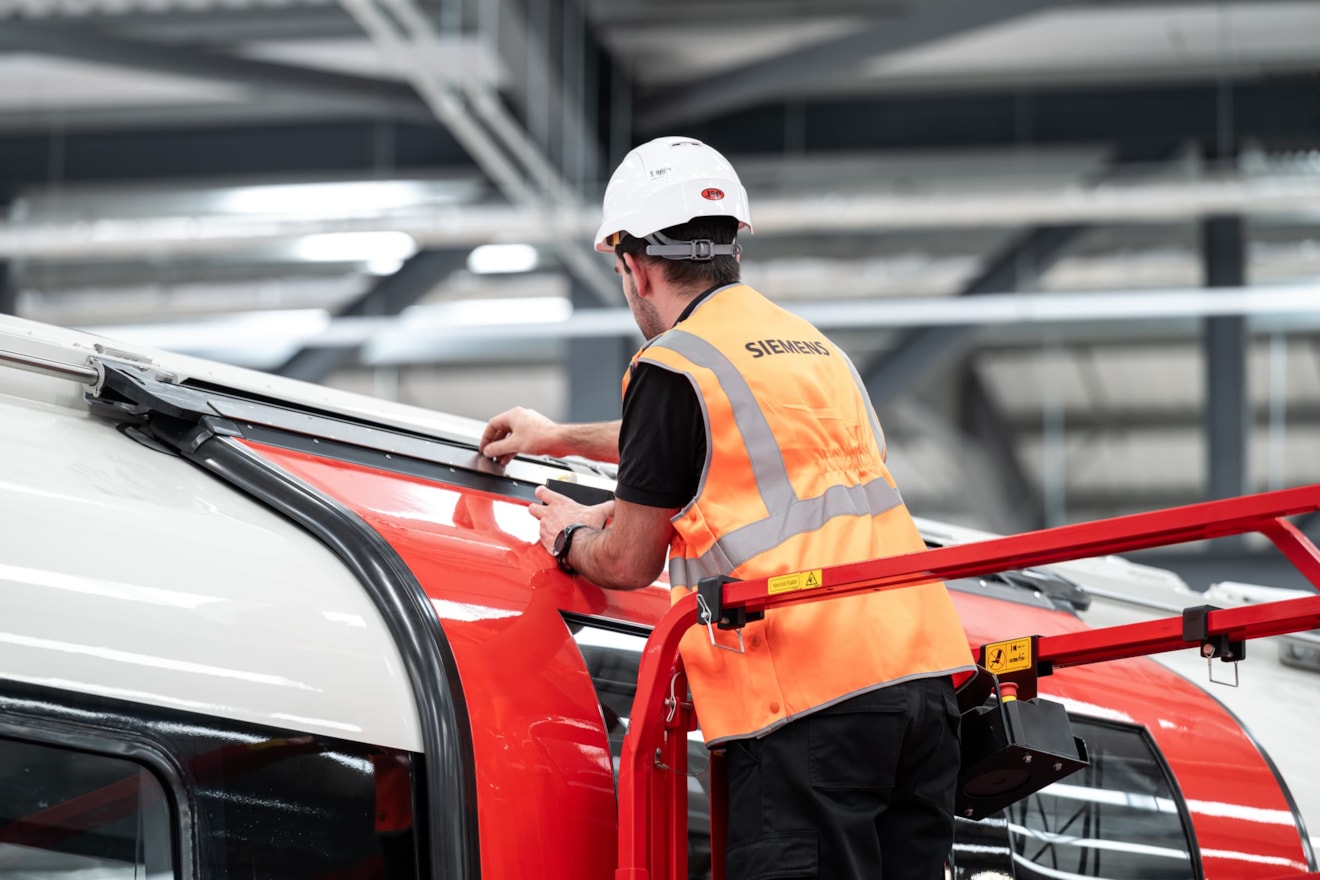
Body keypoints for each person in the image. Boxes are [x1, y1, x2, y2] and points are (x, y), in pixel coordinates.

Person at [480, 135, 975, 880]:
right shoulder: (815, 352)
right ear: (730, 249)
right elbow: (722, 450)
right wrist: (560, 438)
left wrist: (569, 535)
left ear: (634, 266)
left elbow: (628, 561)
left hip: (810, 700)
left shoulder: (673, 363)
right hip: (926, 685)